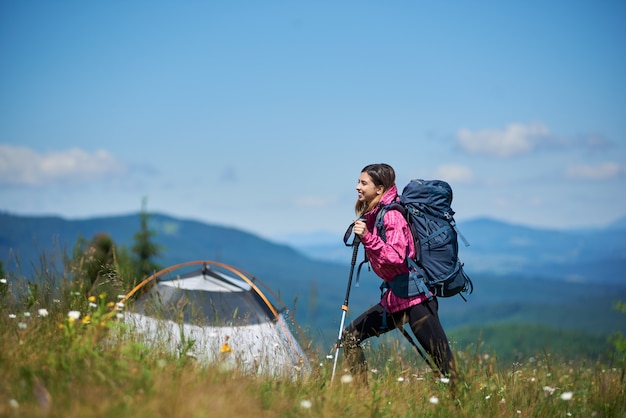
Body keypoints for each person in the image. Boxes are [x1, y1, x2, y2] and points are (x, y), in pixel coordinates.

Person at [342, 163, 456, 382]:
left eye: (363, 183)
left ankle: (462, 403)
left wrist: (367, 237)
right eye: (358, 181)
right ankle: (361, 396)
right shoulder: (376, 213)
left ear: (380, 188)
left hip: (417, 301)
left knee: (446, 366)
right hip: (396, 298)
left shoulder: (392, 215)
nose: (358, 187)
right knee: (349, 337)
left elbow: (395, 256)